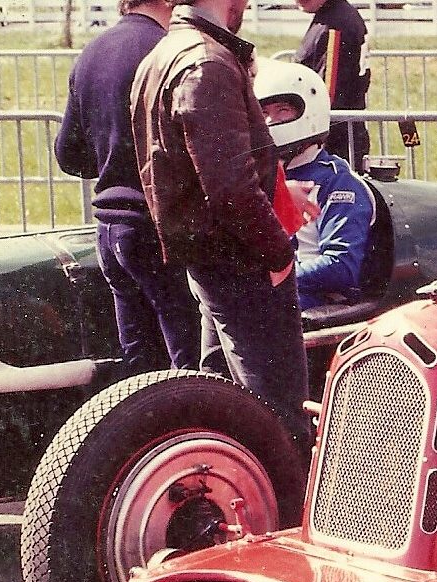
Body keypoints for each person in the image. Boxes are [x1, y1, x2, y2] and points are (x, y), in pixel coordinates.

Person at [130, 0, 310, 449]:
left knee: (220, 396)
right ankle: (282, 511)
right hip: (239, 260)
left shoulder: (165, 55)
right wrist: (278, 252)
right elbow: (231, 188)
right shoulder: (206, 62)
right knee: (274, 412)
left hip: (211, 257)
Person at [53, 0, 199, 375]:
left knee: (139, 367)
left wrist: (110, 158)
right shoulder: (169, 50)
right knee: (188, 364)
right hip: (159, 228)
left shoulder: (92, 51)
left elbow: (68, 154)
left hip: (110, 229)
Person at [255, 58, 377, 311]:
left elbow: (341, 264)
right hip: (278, 289)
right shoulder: (262, 175)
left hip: (316, 299)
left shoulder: (337, 182)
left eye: (282, 111)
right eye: (264, 113)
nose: (269, 122)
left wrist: (268, 279)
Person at [294, 0, 371, 171]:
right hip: (337, 139)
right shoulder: (332, 16)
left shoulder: (336, 25)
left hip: (333, 147)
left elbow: (328, 96)